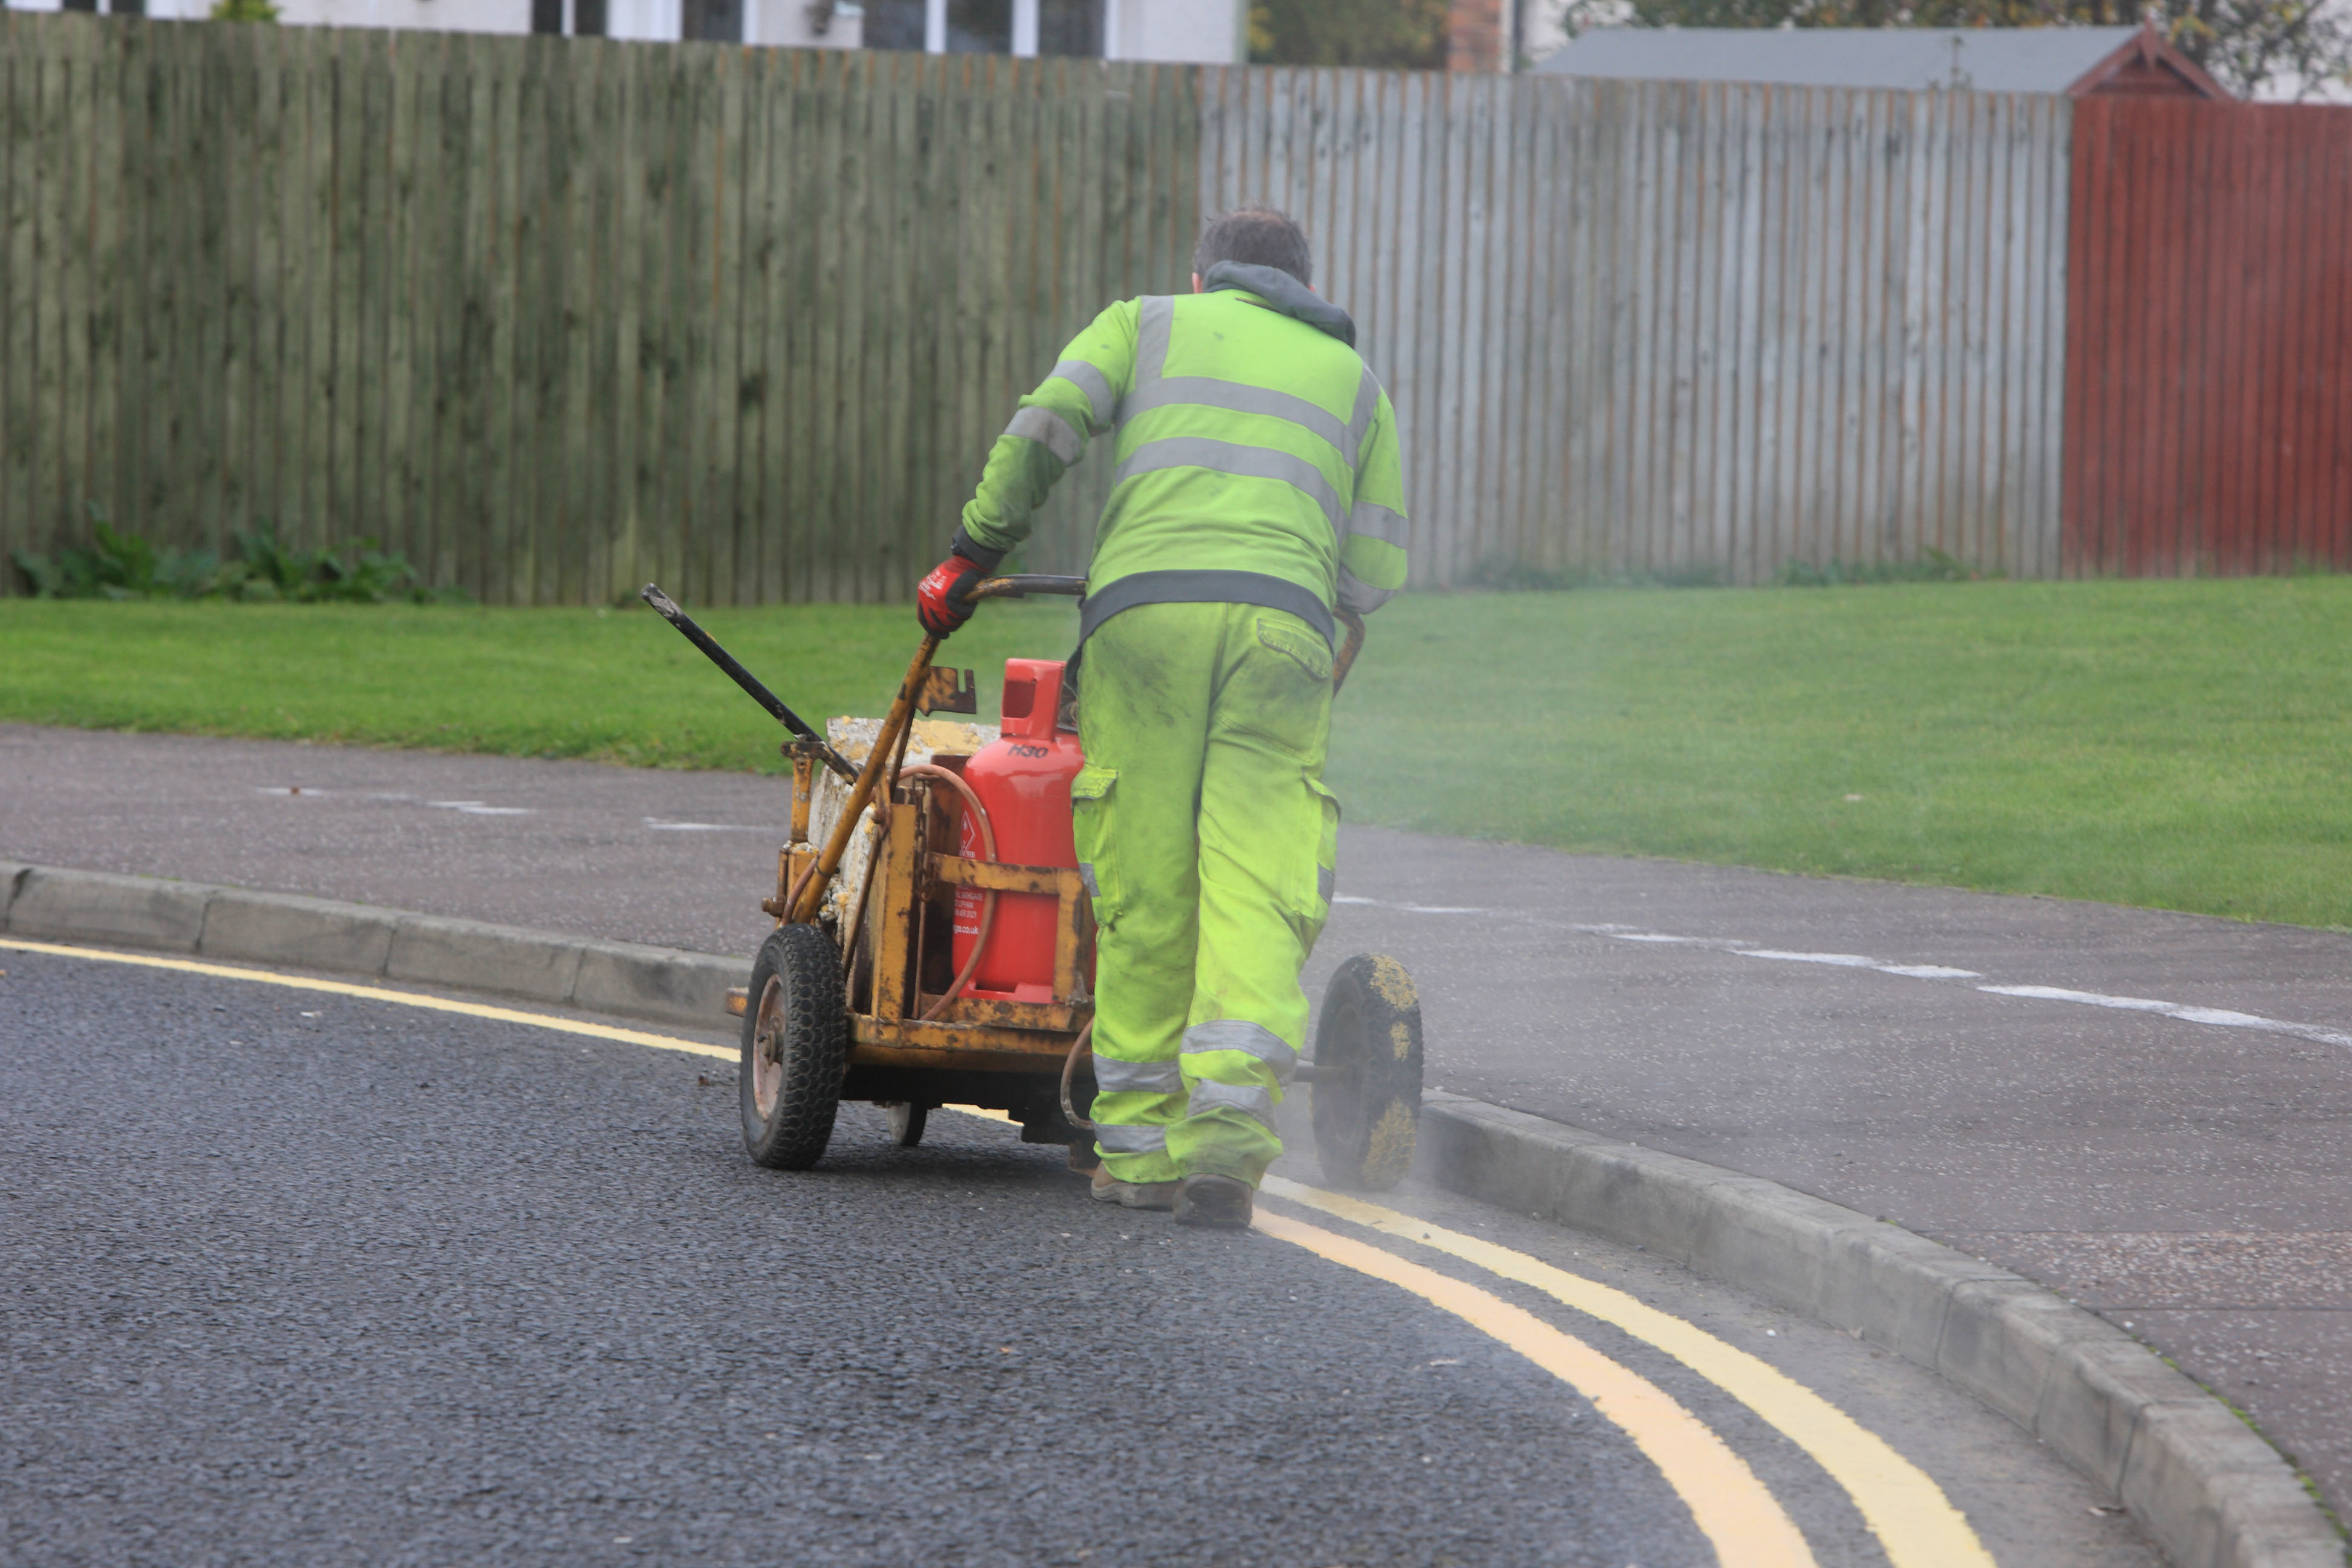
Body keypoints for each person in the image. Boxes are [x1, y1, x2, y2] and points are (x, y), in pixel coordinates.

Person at [914, 207, 1408, 1228]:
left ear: (1203, 277)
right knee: (1256, 881)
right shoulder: (1355, 383)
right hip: (1283, 634)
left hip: (1145, 625)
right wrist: (1329, 619)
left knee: (1143, 877)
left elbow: (1044, 427)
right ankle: (1228, 1143)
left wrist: (975, 551)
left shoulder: (1144, 325)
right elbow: (1374, 568)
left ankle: (1135, 1153)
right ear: (1306, 286)